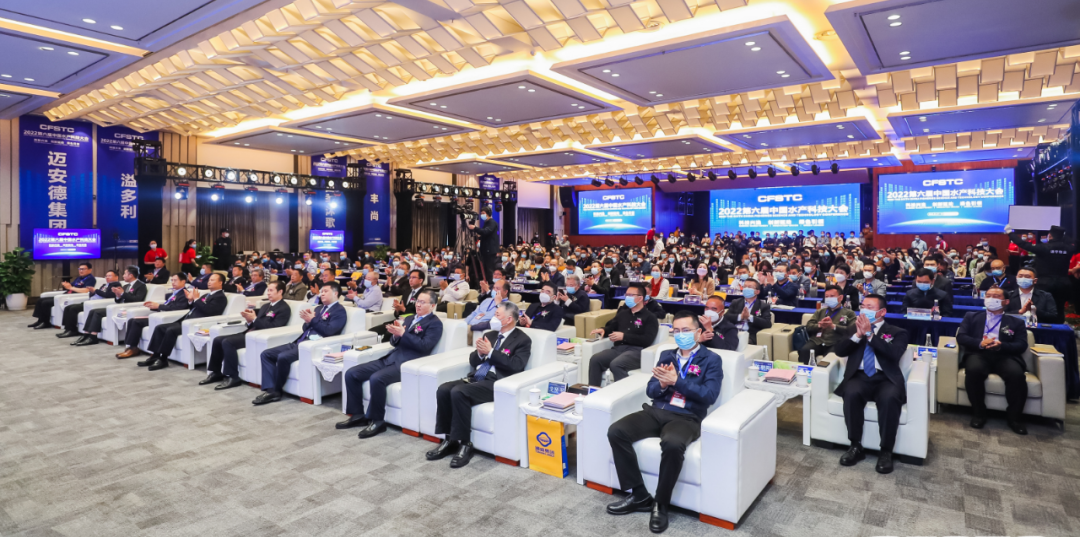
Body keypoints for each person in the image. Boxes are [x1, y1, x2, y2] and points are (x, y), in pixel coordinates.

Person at [604, 311, 723, 533]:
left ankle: (661, 503)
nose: (680, 335)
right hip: (657, 410)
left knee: (673, 444)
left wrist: (677, 381)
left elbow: (709, 396)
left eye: (686, 330)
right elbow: (651, 390)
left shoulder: (711, 359)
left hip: (687, 416)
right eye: (676, 331)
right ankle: (639, 495)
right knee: (616, 431)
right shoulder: (667, 355)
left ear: (698, 332)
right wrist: (662, 384)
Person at [426, 302, 530, 468]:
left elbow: (516, 365)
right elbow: (473, 361)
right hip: (477, 377)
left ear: (509, 319)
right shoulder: (490, 335)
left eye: (498, 315)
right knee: (443, 389)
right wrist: (480, 354)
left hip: (497, 382)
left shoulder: (523, 340)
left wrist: (491, 352)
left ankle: (465, 444)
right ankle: (449, 440)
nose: (494, 318)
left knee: (459, 392)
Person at [339, 289, 443, 437]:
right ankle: (357, 415)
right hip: (391, 357)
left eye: (422, 302)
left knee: (377, 378)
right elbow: (395, 343)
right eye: (417, 301)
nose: (418, 305)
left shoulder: (435, 324)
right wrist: (395, 335)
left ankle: (377, 421)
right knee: (351, 373)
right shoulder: (409, 318)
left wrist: (403, 334)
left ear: (432, 306)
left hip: (408, 363)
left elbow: (425, 346)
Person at [831, 294, 910, 474]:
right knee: (851, 393)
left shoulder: (898, 332)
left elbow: (894, 354)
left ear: (882, 312)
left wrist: (870, 335)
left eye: (870, 307)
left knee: (890, 399)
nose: (864, 310)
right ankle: (855, 446)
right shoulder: (852, 328)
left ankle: (886, 451)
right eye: (863, 306)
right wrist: (857, 335)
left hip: (886, 379)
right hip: (859, 377)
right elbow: (839, 351)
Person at [253, 282, 348, 405]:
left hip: (313, 346)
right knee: (266, 354)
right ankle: (270, 389)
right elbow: (305, 328)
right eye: (321, 291)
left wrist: (312, 320)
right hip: (301, 341)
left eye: (325, 291)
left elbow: (330, 331)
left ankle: (275, 391)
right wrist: (308, 321)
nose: (322, 294)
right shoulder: (319, 308)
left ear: (335, 293)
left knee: (283, 357)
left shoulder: (339, 311)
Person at [955, 287, 1029, 435]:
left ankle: (1014, 418)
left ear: (1006, 301)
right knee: (973, 371)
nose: (991, 299)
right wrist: (980, 343)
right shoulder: (971, 316)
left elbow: (1021, 345)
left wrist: (1002, 346)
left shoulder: (1016, 322)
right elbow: (961, 337)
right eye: (988, 295)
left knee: (1016, 375)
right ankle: (979, 414)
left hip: (1005, 355)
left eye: (996, 296)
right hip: (979, 353)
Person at [202, 280, 292, 390]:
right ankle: (216, 372)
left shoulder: (284, 308)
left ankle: (233, 376)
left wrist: (254, 319)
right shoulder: (265, 306)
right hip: (250, 332)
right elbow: (255, 322)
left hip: (259, 336)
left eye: (271, 290)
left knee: (227, 342)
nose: (268, 293)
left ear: (280, 292)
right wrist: (249, 320)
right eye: (268, 290)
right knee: (217, 339)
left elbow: (274, 327)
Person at [140, 273, 228, 371]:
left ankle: (163, 359)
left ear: (220, 283)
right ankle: (155, 356)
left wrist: (196, 299)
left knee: (171, 330)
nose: (209, 282)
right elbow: (194, 307)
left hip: (197, 323)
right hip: (187, 319)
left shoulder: (220, 297)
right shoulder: (206, 295)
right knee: (160, 327)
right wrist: (190, 300)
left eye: (212, 280)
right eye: (209, 280)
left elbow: (209, 311)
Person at [588, 283, 660, 386]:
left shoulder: (650, 317)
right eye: (626, 295)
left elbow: (647, 340)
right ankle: (593, 390)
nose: (627, 298)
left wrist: (624, 337)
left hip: (637, 351)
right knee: (595, 359)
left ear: (640, 298)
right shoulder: (623, 313)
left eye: (631, 295)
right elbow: (612, 327)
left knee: (616, 364)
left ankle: (622, 393)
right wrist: (604, 330)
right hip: (618, 349)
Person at [115, 274, 192, 359]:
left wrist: (159, 306)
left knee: (136, 322)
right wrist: (154, 306)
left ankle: (133, 349)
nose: (173, 282)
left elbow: (178, 308)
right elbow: (167, 305)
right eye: (172, 280)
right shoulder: (173, 293)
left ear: (183, 281)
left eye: (175, 280)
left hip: (167, 318)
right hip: (160, 314)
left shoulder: (185, 294)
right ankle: (131, 347)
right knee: (132, 320)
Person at [74, 267, 147, 346]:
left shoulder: (141, 285)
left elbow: (137, 300)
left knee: (98, 313)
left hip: (129, 308)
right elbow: (118, 300)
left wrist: (122, 293)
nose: (123, 276)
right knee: (93, 311)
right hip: (120, 306)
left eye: (125, 274)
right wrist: (118, 295)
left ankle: (93, 336)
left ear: (131, 275)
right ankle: (86, 334)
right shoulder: (126, 286)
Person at [28, 262, 98, 329]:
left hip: (72, 297)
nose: (81, 271)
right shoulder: (79, 278)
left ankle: (45, 322)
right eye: (79, 269)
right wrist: (67, 285)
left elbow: (86, 290)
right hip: (66, 294)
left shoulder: (91, 279)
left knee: (45, 303)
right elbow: (71, 286)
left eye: (83, 269)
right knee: (40, 300)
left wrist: (70, 287)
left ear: (90, 270)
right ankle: (40, 320)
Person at [799, 286, 857, 363]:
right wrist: (819, 325)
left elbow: (852, 330)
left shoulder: (849, 313)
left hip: (836, 342)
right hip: (817, 341)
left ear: (840, 298)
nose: (829, 298)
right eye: (827, 296)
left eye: (832, 296)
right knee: (805, 350)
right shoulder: (820, 312)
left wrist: (833, 326)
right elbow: (809, 326)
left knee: (830, 357)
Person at [57, 270, 120, 340]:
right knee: (68, 307)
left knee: (73, 309)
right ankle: (67, 329)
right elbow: (95, 294)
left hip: (96, 303)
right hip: (91, 301)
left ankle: (72, 330)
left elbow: (109, 295)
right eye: (106, 276)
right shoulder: (104, 285)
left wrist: (96, 290)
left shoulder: (116, 285)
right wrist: (92, 292)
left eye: (110, 276)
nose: (107, 277)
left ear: (116, 277)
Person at [723, 279, 771, 345]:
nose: (746, 289)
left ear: (757, 291)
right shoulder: (736, 302)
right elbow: (726, 317)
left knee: (740, 343)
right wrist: (741, 317)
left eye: (750, 287)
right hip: (733, 332)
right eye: (745, 286)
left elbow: (767, 323)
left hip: (750, 334)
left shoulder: (763, 306)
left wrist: (750, 317)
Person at [467, 207, 499, 282]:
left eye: (483, 213)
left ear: (488, 213)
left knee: (489, 270)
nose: (482, 215)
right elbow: (486, 235)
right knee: (484, 270)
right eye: (481, 213)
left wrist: (475, 228)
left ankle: (490, 284)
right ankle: (485, 283)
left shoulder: (492, 222)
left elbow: (486, 231)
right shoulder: (486, 223)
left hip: (489, 250)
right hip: (485, 250)